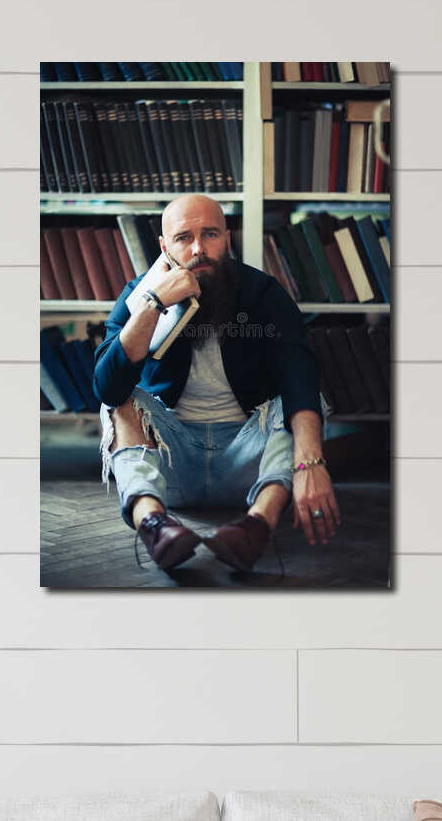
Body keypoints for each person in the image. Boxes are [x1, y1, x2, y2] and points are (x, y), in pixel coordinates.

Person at [92, 194, 340, 576]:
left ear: (227, 238)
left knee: (303, 399)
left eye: (209, 234)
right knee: (122, 401)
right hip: (173, 462)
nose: (198, 249)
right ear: (163, 247)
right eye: (183, 238)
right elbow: (106, 387)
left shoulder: (263, 293)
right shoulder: (138, 294)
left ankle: (256, 526)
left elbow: (299, 373)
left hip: (250, 463)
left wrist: (311, 463)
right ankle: (154, 524)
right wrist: (153, 304)